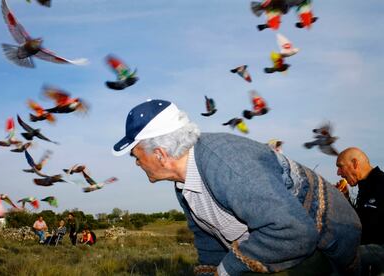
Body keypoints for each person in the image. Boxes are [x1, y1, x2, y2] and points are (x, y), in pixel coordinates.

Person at [112, 99, 362, 275]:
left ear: (160, 154)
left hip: (326, 239)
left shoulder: (227, 165)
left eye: (136, 155)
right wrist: (209, 271)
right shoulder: (183, 184)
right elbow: (206, 235)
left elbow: (295, 232)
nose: (136, 163)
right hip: (289, 244)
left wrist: (228, 269)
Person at [336, 147, 384, 275]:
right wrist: (345, 199)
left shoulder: (381, 184)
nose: (338, 173)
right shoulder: (364, 187)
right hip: (366, 246)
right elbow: (359, 220)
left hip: (379, 248)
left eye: (340, 167)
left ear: (355, 163)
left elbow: (367, 227)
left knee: (342, 259)